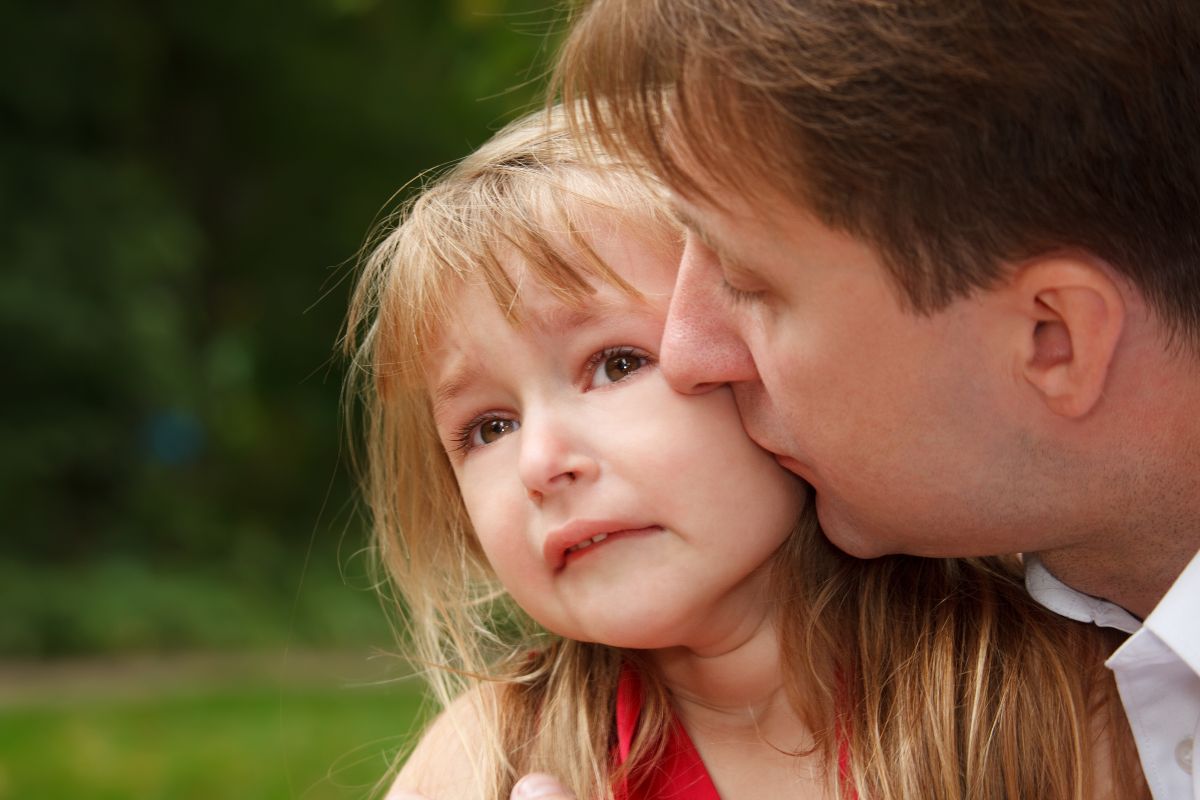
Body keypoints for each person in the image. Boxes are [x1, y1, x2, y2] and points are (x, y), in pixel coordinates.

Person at [344, 107, 1145, 800]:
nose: (541, 461)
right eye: (488, 426)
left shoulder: (1048, 700)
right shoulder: (486, 761)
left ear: (750, 352)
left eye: (617, 364)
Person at [545, 1, 1200, 799]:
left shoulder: (1003, 720)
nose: (684, 355)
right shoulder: (536, 740)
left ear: (1051, 338)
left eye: (748, 282)